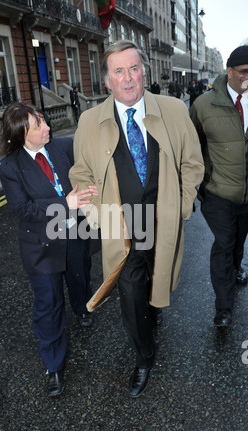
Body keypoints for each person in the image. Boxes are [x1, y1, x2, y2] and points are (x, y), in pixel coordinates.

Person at [69, 40, 204, 398]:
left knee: (156, 277)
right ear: (107, 81)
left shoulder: (173, 110)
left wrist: (184, 204)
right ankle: (144, 357)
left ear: (143, 71)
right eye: (119, 71)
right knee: (129, 292)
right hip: (121, 225)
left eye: (134, 68)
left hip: (163, 218)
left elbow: (192, 163)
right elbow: (81, 175)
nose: (128, 78)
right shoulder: (88, 121)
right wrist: (98, 217)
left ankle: (153, 307)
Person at [0, 102, 98, 396]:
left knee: (79, 275)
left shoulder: (63, 147)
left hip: (75, 232)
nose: (47, 127)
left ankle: (82, 307)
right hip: (41, 243)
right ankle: (53, 365)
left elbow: (92, 149)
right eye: (38, 124)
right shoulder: (8, 167)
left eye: (43, 120)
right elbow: (23, 208)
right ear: (21, 133)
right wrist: (64, 204)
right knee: (49, 303)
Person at [190, 45, 248, 327]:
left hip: (247, 196)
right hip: (219, 192)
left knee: (238, 241)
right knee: (224, 244)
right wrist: (203, 178)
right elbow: (193, 146)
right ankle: (223, 307)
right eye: (245, 72)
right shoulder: (203, 105)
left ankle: (237, 268)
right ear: (229, 72)